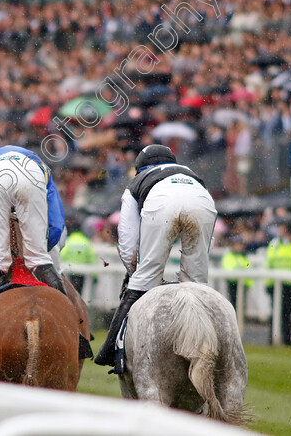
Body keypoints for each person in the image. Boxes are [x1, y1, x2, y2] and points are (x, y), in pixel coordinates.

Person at [95, 144, 216, 369]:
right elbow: (209, 243)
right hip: (202, 200)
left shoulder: (138, 181)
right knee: (197, 285)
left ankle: (109, 350)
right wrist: (194, 270)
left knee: (144, 278)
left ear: (141, 167)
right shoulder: (193, 175)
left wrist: (135, 273)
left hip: (161, 202)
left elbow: (127, 238)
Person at [0, 145, 67, 299]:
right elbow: (56, 225)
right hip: (30, 174)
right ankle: (67, 312)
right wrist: (40, 251)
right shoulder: (42, 167)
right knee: (41, 258)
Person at [265, 221, 291, 346]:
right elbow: (269, 264)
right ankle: (272, 340)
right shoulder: (275, 244)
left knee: (287, 313)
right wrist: (268, 284)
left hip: (289, 285)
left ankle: (287, 341)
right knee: (275, 313)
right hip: (276, 284)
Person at [60, 221, 97, 294]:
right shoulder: (85, 241)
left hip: (70, 269)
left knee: (72, 288)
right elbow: (91, 256)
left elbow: (62, 254)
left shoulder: (69, 240)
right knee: (80, 289)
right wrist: (95, 274)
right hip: (82, 270)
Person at [221, 235, 252, 311]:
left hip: (243, 284)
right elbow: (229, 269)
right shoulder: (229, 256)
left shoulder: (244, 256)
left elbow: (249, 269)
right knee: (233, 305)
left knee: (241, 307)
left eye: (240, 244)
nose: (239, 246)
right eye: (237, 244)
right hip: (233, 284)